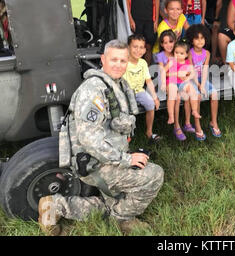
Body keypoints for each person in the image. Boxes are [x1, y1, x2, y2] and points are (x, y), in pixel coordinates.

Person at [38, 40, 164, 236]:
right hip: (95, 163)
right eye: (114, 59)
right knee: (154, 175)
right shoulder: (93, 90)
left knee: (111, 203)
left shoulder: (118, 84)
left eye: (123, 60)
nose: (119, 65)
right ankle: (122, 219)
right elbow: (89, 139)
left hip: (108, 157)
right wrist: (127, 159)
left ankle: (55, 206)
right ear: (103, 60)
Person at [123, 34, 161, 144]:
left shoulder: (143, 63)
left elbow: (148, 81)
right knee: (126, 109)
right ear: (128, 48)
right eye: (135, 47)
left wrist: (155, 97)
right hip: (125, 93)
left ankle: (149, 132)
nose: (138, 50)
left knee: (150, 104)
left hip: (139, 91)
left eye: (141, 47)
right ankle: (126, 135)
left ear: (145, 50)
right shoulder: (124, 62)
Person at [161, 39, 202, 140]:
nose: (178, 55)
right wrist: (167, 79)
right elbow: (163, 71)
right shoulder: (172, 61)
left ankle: (194, 111)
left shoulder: (187, 62)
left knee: (192, 91)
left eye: (181, 53)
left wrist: (187, 78)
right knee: (172, 93)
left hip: (182, 83)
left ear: (187, 54)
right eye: (176, 53)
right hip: (172, 81)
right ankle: (171, 116)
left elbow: (193, 73)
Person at [187, 24, 222, 138]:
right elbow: (191, 71)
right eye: (197, 38)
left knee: (215, 94)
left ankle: (213, 121)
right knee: (197, 97)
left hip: (202, 79)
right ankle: (197, 125)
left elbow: (205, 70)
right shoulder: (189, 53)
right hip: (192, 80)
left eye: (202, 38)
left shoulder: (206, 53)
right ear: (192, 40)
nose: (200, 41)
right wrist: (198, 85)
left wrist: (202, 84)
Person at [205, 0, 226, 64]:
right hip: (203, 8)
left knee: (215, 29)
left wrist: (216, 19)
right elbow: (202, 0)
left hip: (214, 9)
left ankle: (213, 57)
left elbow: (219, 3)